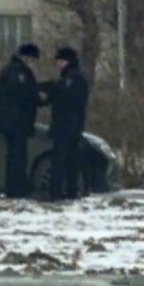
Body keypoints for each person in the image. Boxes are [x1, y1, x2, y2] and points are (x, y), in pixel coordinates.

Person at [0, 43, 43, 198]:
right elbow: (24, 95)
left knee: (16, 157)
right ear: (26, 57)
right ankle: (16, 190)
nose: (33, 63)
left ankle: (16, 188)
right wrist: (39, 96)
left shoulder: (12, 71)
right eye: (32, 59)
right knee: (17, 158)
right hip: (17, 123)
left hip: (14, 122)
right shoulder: (17, 73)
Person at [46, 46, 90, 201]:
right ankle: (70, 191)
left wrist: (52, 91)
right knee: (71, 160)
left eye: (59, 61)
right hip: (72, 126)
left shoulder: (71, 79)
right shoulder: (74, 77)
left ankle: (57, 192)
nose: (58, 64)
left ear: (66, 61)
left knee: (61, 159)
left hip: (65, 126)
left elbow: (66, 100)